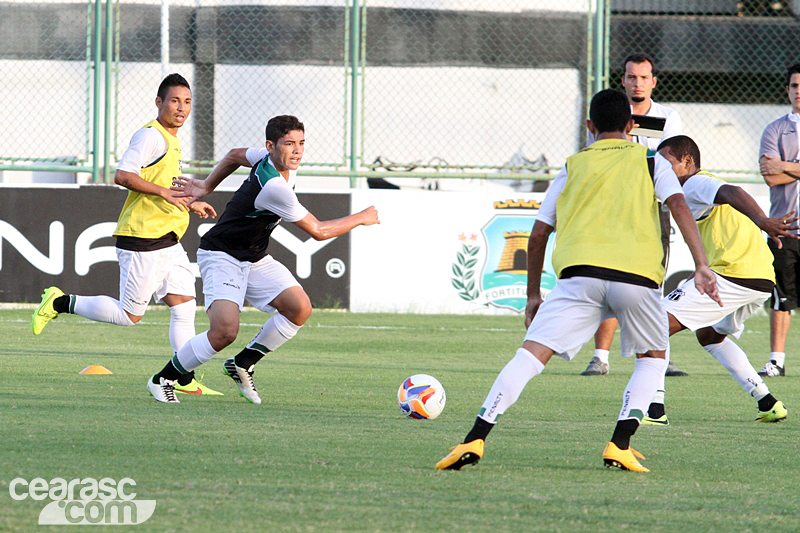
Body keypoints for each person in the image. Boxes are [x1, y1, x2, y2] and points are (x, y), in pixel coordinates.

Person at [435, 89, 719, 473]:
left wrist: (533, 295)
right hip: (636, 276)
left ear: (589, 127)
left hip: (578, 276)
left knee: (530, 356)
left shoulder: (572, 166)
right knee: (653, 357)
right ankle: (620, 443)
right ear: (631, 126)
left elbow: (538, 235)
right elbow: (679, 206)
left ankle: (475, 437)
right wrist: (701, 264)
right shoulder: (652, 160)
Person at [146, 115, 380, 403]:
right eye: (289, 144)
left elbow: (234, 155)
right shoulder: (273, 186)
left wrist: (206, 185)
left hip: (254, 256)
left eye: (302, 144)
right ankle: (164, 378)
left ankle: (242, 363)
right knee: (224, 332)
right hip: (222, 255)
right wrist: (362, 218)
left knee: (299, 308)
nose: (297, 151)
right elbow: (318, 231)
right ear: (271, 145)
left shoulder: (269, 159)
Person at [31, 73, 222, 396]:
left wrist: (191, 202)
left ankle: (183, 378)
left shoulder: (171, 139)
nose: (181, 108)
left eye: (187, 102)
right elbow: (124, 174)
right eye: (174, 100)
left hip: (169, 239)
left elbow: (167, 186)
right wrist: (163, 192)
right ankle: (60, 302)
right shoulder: (150, 136)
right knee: (129, 315)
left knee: (184, 304)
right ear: (159, 102)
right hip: (144, 239)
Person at [642, 135, 792, 426]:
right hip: (759, 278)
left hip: (735, 274)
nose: (660, 169)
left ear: (687, 162)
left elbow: (732, 191)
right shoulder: (678, 187)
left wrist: (763, 221)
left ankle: (654, 410)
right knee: (709, 335)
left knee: (655, 323)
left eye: (667, 163)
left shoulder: (694, 182)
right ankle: (767, 401)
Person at [583, 52, 688, 377]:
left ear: (653, 81)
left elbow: (673, 163)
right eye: (631, 77)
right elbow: (595, 157)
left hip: (652, 209)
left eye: (643, 77)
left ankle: (659, 353)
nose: (637, 83)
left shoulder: (668, 117)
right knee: (608, 275)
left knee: (653, 280)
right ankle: (601, 356)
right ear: (623, 80)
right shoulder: (609, 115)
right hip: (614, 209)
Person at [757, 63, 800, 378]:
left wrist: (784, 165)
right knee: (781, 297)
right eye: (794, 86)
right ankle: (777, 361)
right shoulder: (774, 130)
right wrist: (785, 168)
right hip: (784, 227)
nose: (799, 92)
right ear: (787, 90)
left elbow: (777, 168)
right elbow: (770, 177)